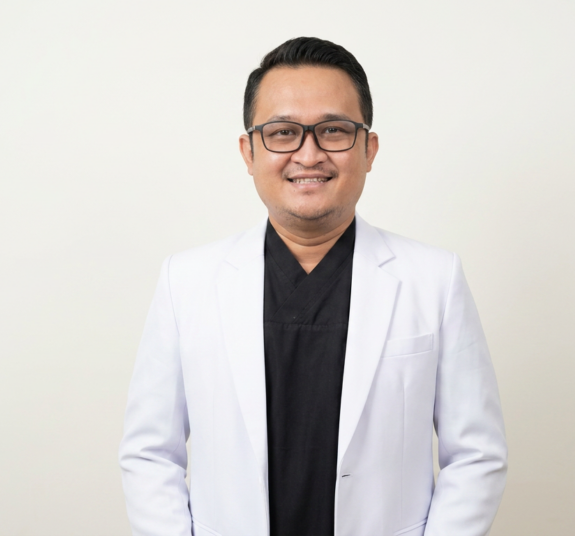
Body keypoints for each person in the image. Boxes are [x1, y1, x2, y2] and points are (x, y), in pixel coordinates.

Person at [119, 37, 507, 536]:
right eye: (283, 132)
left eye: (333, 131)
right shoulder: (186, 281)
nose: (308, 153)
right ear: (249, 151)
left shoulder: (434, 279)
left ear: (368, 149)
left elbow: (476, 454)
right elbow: (150, 453)